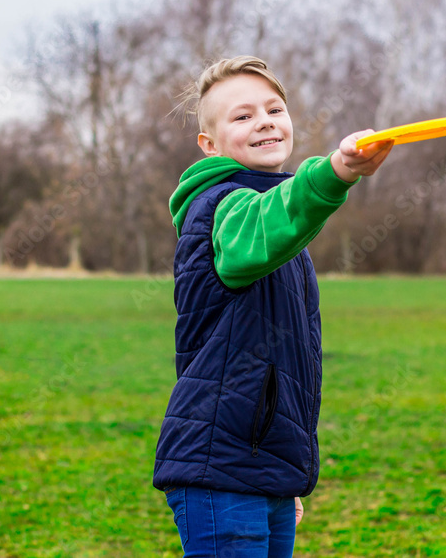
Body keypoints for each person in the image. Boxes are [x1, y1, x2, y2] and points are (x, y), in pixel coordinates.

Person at [153, 55, 394, 557]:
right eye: (242, 116)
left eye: (274, 109)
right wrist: (336, 171)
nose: (264, 120)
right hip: (221, 473)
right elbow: (275, 217)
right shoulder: (225, 208)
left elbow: (277, 364)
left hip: (263, 470)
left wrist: (283, 469)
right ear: (210, 145)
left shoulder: (275, 217)